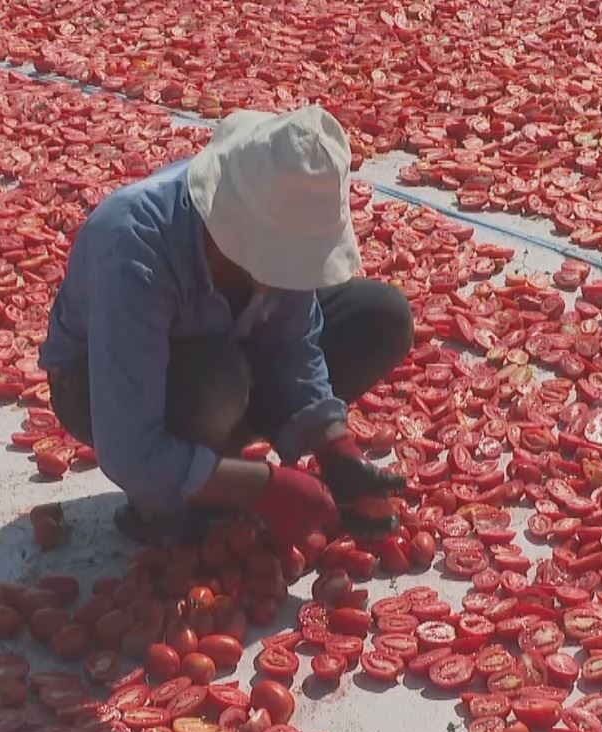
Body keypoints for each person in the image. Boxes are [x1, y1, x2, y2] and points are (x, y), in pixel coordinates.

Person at [39, 106, 413, 545]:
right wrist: (264, 488)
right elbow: (128, 451)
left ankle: (213, 462)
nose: (289, 271)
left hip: (226, 351)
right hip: (99, 388)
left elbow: (295, 344)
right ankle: (169, 500)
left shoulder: (277, 211)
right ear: (236, 230)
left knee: (381, 317)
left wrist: (335, 448)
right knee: (219, 380)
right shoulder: (131, 246)